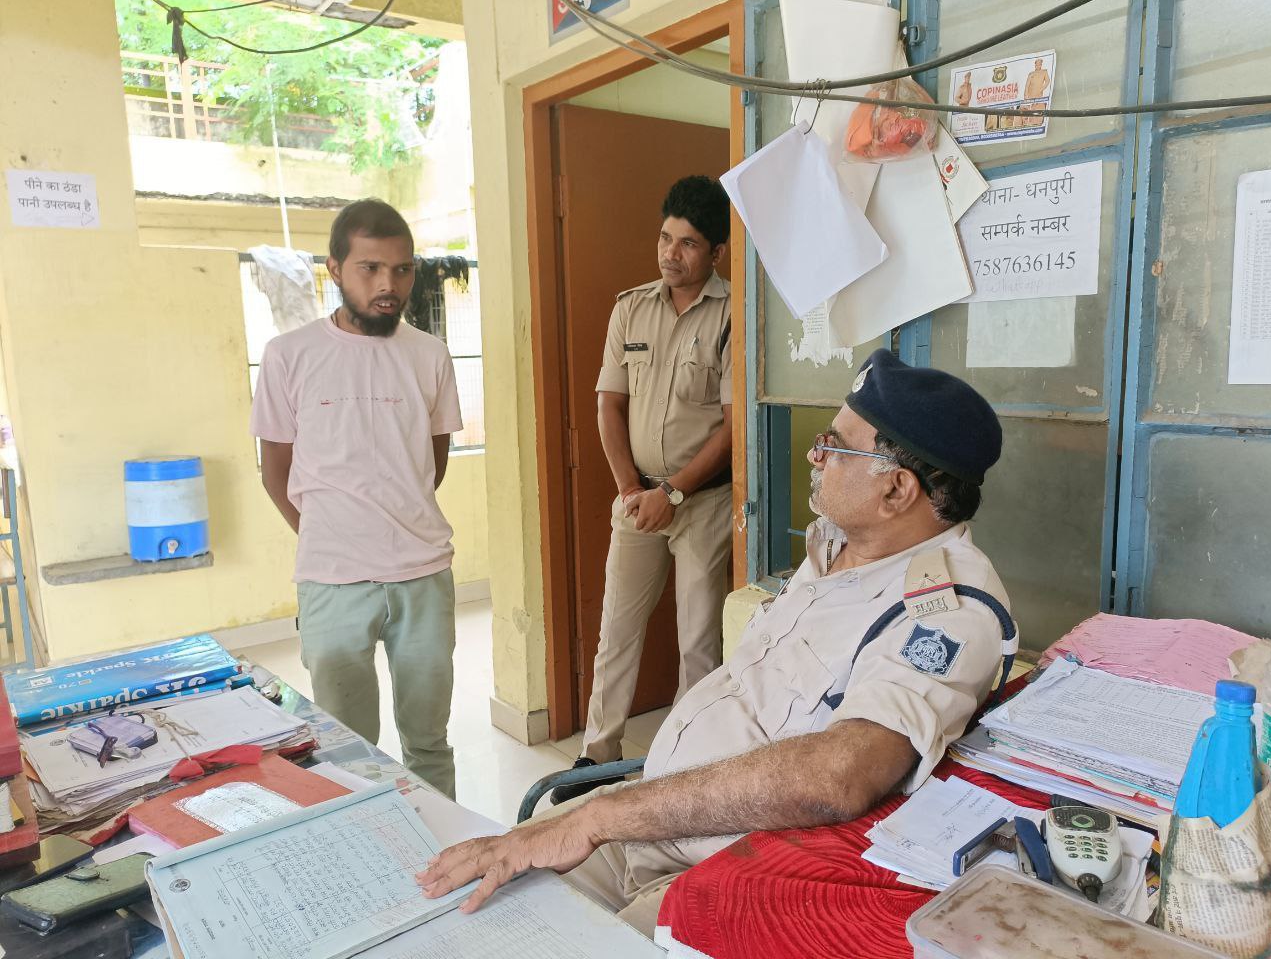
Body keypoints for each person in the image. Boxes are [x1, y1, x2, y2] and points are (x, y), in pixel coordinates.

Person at [418, 349, 1012, 935]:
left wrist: (601, 815)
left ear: (896, 491)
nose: (813, 454)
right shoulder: (841, 541)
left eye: (833, 446)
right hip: (652, 815)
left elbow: (839, 775)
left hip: (725, 872)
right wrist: (610, 813)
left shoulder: (948, 611)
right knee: (467, 900)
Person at [250, 198, 462, 798]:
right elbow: (276, 471)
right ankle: (370, 868)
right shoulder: (289, 356)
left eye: (400, 269)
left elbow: (431, 461)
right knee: (348, 748)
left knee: (428, 744)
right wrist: (330, 529)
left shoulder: (429, 354)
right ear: (334, 268)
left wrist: (394, 515)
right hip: (331, 580)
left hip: (423, 574)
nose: (387, 285)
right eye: (370, 268)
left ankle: (446, 855)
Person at [550, 176, 735, 804]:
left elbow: (736, 428)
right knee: (616, 631)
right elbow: (609, 404)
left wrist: (673, 494)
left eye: (687, 243)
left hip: (703, 504)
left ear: (716, 251)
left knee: (699, 640)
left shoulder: (734, 313)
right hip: (636, 503)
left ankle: (686, 761)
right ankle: (595, 754)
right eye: (665, 237)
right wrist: (631, 488)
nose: (670, 253)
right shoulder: (631, 307)